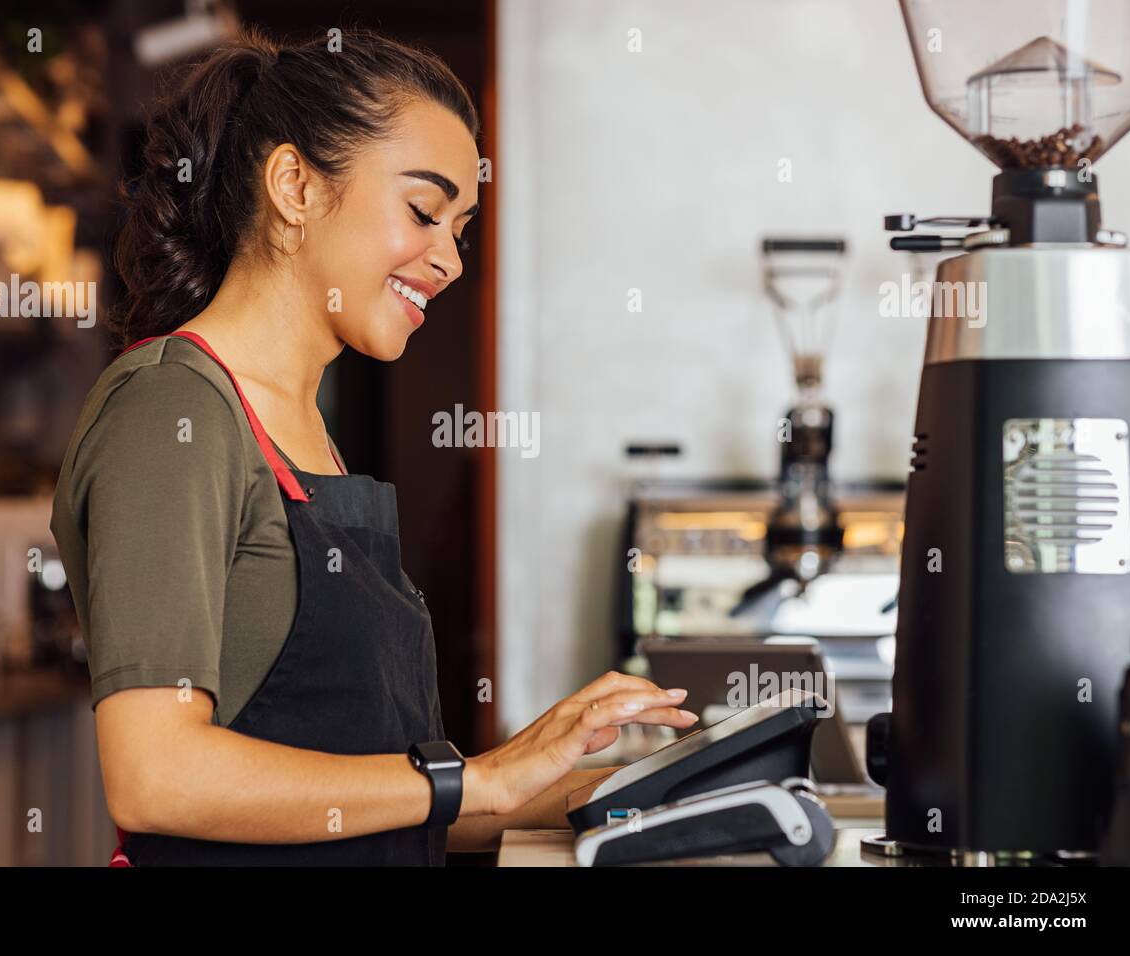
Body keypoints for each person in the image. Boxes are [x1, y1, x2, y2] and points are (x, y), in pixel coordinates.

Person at [49, 27, 697, 866]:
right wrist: (479, 779)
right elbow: (156, 774)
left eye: (460, 228)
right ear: (294, 186)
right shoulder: (172, 410)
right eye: (424, 211)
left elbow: (364, 802)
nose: (451, 260)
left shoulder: (308, 432)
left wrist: (613, 785)